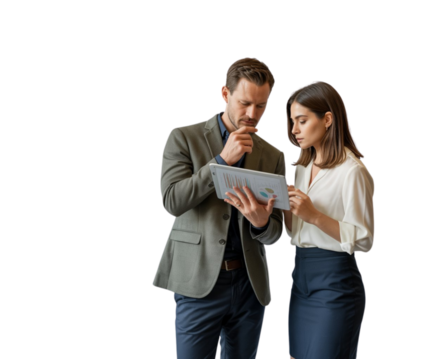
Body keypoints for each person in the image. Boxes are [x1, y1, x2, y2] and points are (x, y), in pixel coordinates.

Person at [153, 56, 286, 359]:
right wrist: (221, 161)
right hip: (197, 281)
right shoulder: (183, 137)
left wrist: (262, 223)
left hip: (249, 286)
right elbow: (173, 201)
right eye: (245, 103)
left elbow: (274, 234)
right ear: (225, 94)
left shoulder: (272, 155)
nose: (253, 114)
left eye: (261, 106)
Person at [283, 80, 375, 359]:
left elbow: (364, 240)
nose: (294, 130)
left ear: (327, 119)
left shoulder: (353, 171)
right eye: (292, 122)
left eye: (302, 120)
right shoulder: (302, 168)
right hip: (301, 280)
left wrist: (314, 215)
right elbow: (298, 231)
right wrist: (284, 209)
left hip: (336, 284)